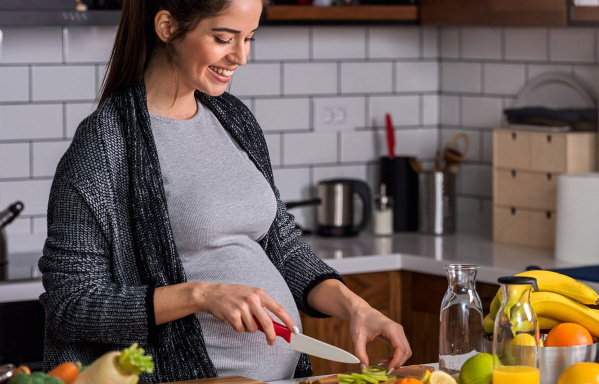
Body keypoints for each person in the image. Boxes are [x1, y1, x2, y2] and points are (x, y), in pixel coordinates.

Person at [37, 0, 411, 382]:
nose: (241, 56)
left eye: (249, 38)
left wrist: (356, 307)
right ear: (167, 27)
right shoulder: (105, 141)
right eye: (223, 38)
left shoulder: (233, 118)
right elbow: (71, 303)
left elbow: (282, 247)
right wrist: (200, 296)